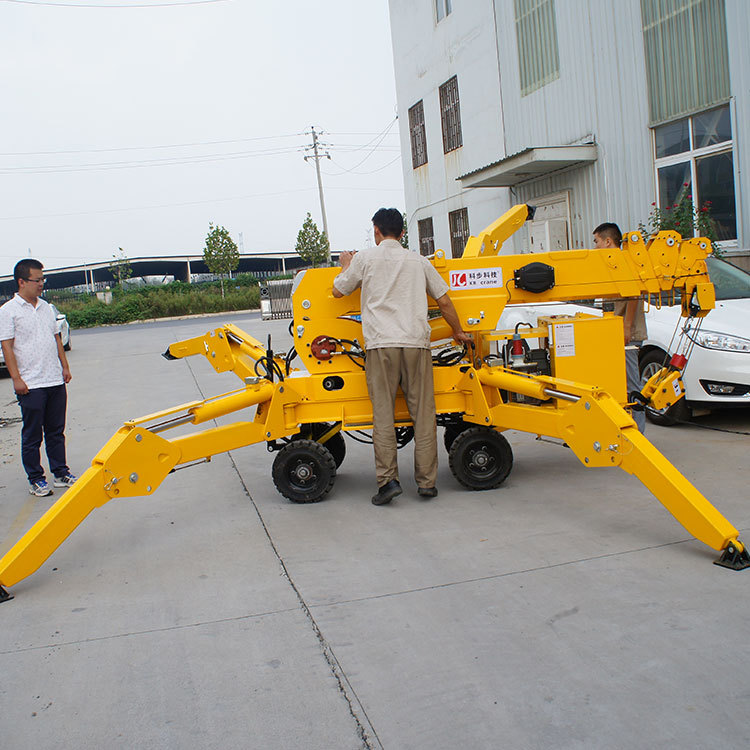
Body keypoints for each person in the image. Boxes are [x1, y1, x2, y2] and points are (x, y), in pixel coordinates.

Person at [333, 208, 472, 505]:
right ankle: (426, 483)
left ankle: (388, 483)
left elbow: (337, 290)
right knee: (423, 414)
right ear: (402, 233)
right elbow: (444, 301)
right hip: (416, 345)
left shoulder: (365, 259)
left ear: (376, 230)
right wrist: (458, 331)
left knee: (383, 415)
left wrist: (345, 265)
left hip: (381, 346)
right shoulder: (418, 261)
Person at [0, 259, 77, 496]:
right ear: (22, 282)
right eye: (37, 280)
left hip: (53, 379)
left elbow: (56, 339)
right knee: (33, 435)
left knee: (56, 431)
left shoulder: (45, 307)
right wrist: (16, 379)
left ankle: (60, 473)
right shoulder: (8, 311)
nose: (41, 284)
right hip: (30, 384)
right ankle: (36, 478)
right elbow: (7, 347)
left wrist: (64, 366)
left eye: (43, 279)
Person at [592, 222, 647, 432]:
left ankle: (638, 434)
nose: (595, 247)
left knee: (631, 385)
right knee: (617, 383)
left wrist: (627, 327)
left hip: (627, 335)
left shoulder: (623, 261)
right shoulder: (611, 263)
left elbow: (634, 294)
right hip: (616, 332)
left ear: (608, 241)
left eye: (597, 242)